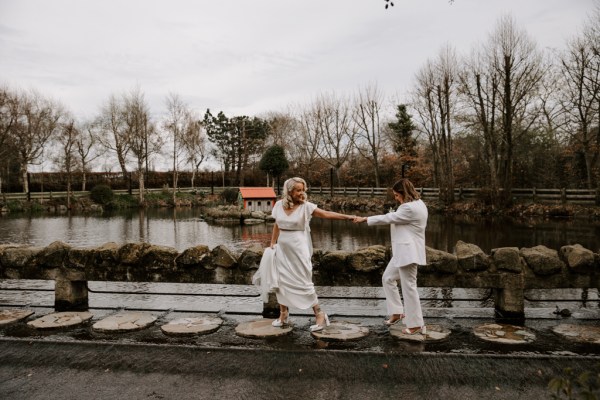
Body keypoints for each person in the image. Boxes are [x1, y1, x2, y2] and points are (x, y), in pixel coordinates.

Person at [269, 177, 356, 332]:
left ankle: (320, 315)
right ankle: (283, 314)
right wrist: (272, 243)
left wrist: (348, 217)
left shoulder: (306, 207)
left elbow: (327, 214)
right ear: (289, 191)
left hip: (299, 249)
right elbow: (277, 225)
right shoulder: (278, 205)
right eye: (298, 190)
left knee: (304, 282)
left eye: (303, 189)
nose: (301, 193)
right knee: (280, 281)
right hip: (282, 249)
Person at [353, 178, 428, 335]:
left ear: (403, 193)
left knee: (409, 287)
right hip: (403, 252)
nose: (395, 198)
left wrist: (365, 219)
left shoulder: (409, 208)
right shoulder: (418, 204)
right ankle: (397, 312)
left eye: (396, 194)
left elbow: (388, 218)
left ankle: (416, 324)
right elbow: (396, 217)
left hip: (408, 253)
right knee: (388, 278)